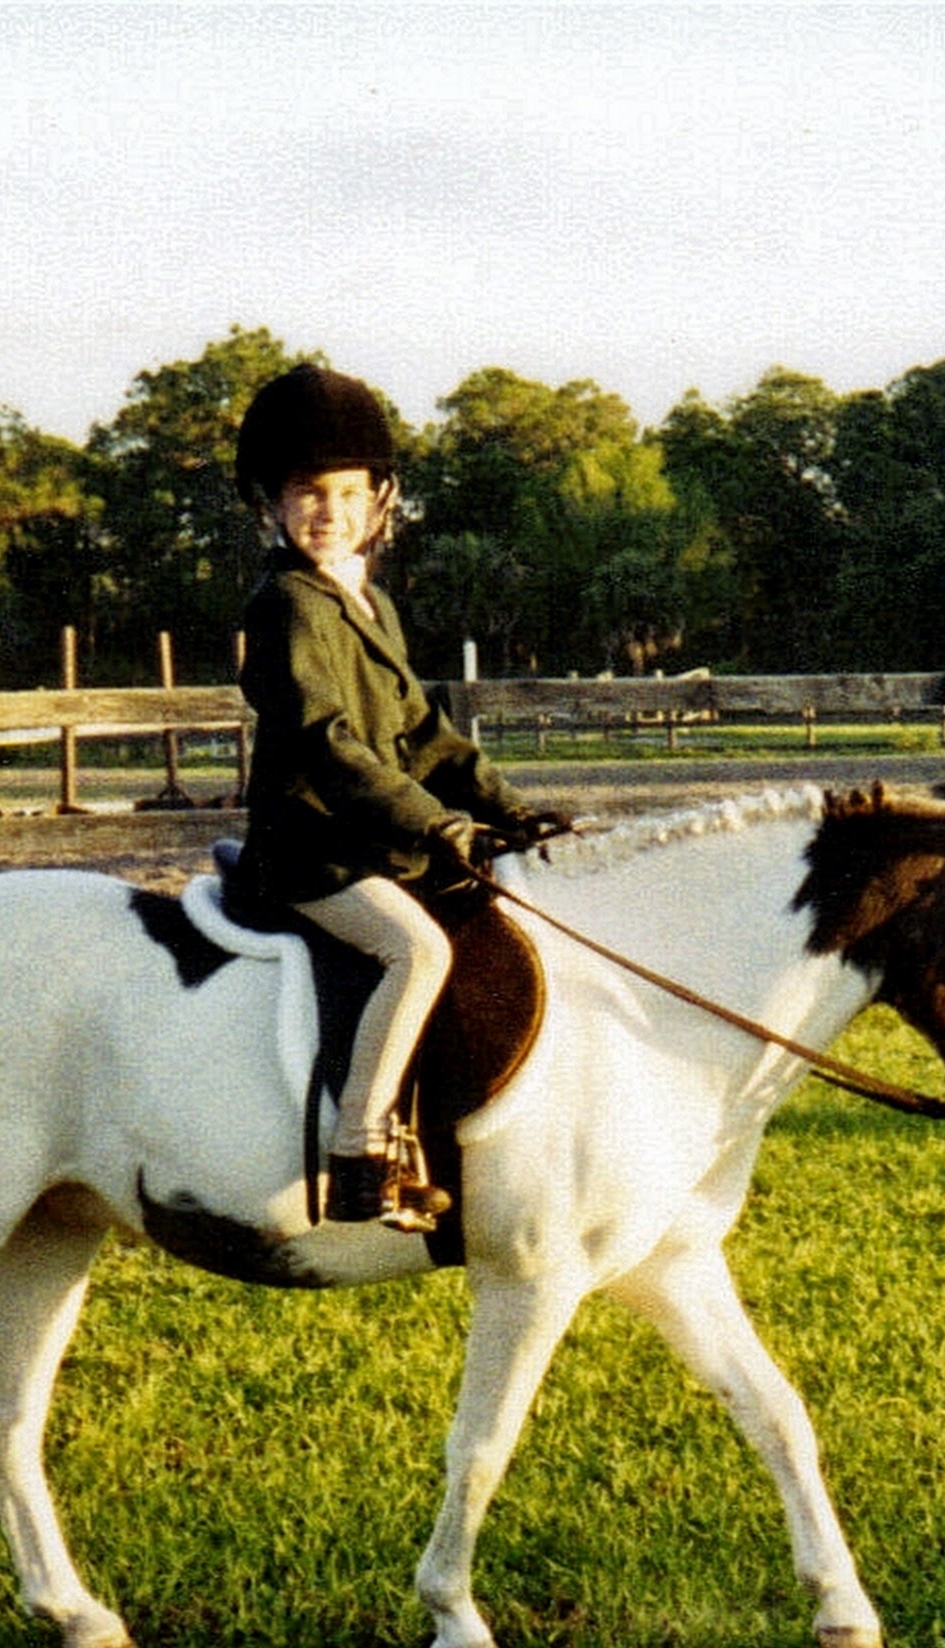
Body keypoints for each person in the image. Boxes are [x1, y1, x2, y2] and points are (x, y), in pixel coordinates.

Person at [232, 363, 567, 1231]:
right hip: (314, 849)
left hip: (377, 841)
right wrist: (436, 822)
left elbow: (422, 734)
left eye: (347, 493)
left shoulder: (369, 602)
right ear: (270, 504)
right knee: (415, 951)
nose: (328, 513)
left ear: (381, 501)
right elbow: (330, 746)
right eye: (307, 493)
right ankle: (359, 1152)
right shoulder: (287, 609)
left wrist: (506, 807)